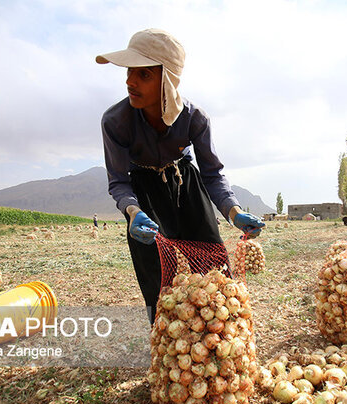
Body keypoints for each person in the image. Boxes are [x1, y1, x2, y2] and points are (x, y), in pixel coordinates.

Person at [96, 28, 265, 324]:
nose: (130, 82)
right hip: (143, 191)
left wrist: (233, 211)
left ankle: (221, 330)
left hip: (185, 182)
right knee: (155, 268)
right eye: (129, 71)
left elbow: (212, 173)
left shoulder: (194, 118)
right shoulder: (115, 121)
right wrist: (133, 212)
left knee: (212, 259)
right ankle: (166, 336)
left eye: (144, 75)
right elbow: (119, 181)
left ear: (168, 81)